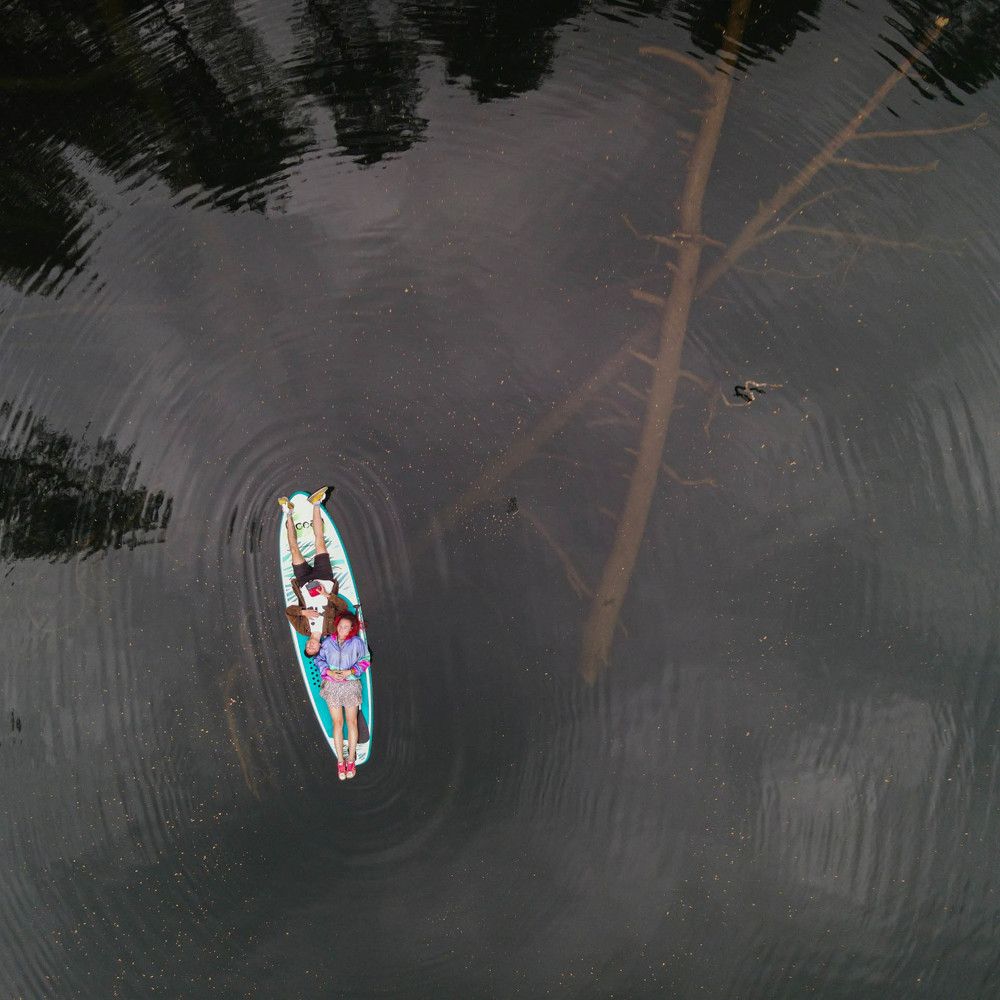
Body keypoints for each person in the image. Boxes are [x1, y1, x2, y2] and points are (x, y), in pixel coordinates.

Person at [281, 487, 348, 658]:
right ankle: (316, 504)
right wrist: (327, 595)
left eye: (308, 648)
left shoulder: (302, 629)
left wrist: (303, 612)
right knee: (320, 543)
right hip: (324, 580)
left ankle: (288, 513)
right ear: (319, 647)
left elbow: (289, 611)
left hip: (304, 583)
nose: (310, 646)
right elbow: (342, 607)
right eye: (314, 649)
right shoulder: (331, 628)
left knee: (294, 551)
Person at [314, 611, 370, 780]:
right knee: (337, 723)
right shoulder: (327, 642)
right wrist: (329, 672)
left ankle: (351, 759)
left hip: (350, 685)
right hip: (332, 685)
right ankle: (340, 761)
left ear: (352, 629)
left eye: (346, 627)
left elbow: (366, 660)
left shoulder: (357, 642)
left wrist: (350, 672)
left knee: (351, 721)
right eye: (340, 626)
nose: (342, 629)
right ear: (337, 626)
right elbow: (318, 660)